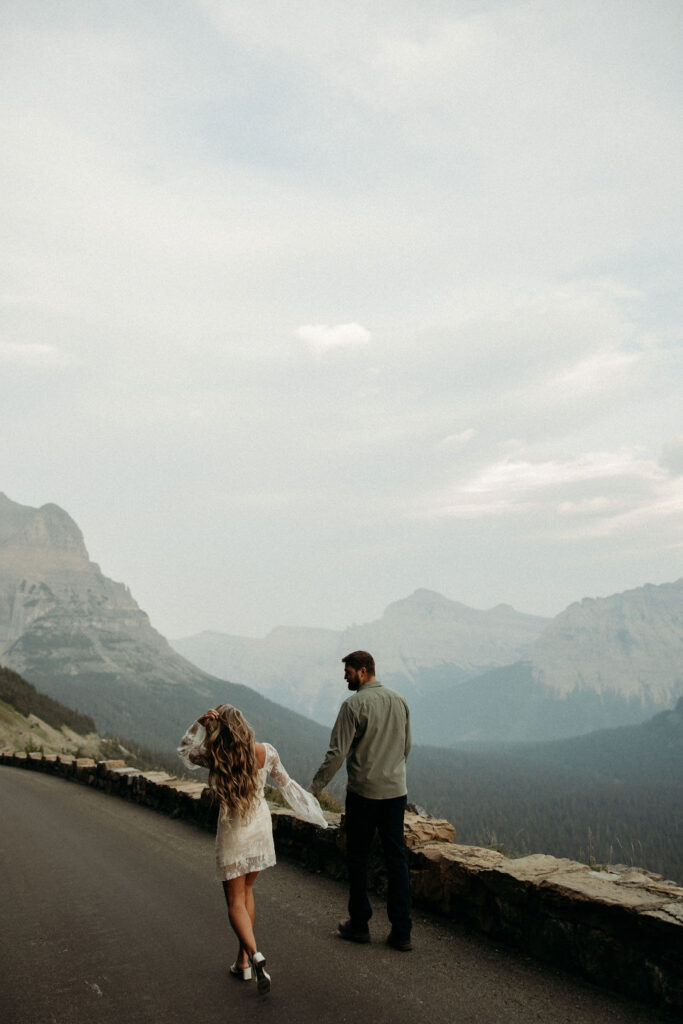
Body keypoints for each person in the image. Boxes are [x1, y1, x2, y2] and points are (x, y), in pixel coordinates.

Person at [178, 704, 328, 994]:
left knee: (235, 900)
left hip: (233, 830)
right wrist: (313, 812)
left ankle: (255, 955)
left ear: (218, 728)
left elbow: (185, 752)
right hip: (259, 828)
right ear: (243, 725)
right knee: (247, 893)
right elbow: (288, 786)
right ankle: (242, 963)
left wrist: (197, 724)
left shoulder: (215, 755)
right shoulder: (266, 752)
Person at [310, 651, 412, 951]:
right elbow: (406, 747)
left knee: (358, 857)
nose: (345, 677)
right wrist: (392, 773)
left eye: (349, 671)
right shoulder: (400, 700)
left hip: (364, 794)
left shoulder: (353, 705)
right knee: (397, 859)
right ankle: (402, 931)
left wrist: (314, 788)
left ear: (364, 672)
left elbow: (337, 753)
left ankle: (359, 924)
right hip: (396, 793)